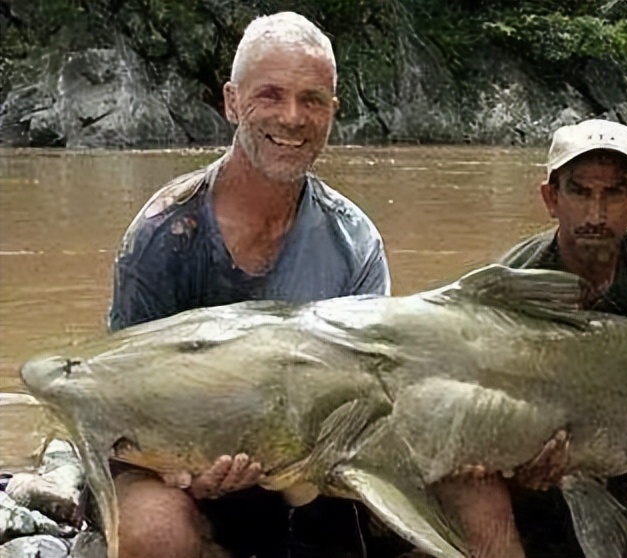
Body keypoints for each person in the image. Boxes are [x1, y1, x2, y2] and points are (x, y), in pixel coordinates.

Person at [106, 12, 391, 558]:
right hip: (181, 466)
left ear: (333, 111)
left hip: (311, 470)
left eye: (312, 100)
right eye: (271, 94)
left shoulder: (354, 242)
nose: (292, 117)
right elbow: (121, 406)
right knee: (153, 529)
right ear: (233, 102)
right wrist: (180, 468)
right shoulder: (163, 234)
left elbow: (367, 396)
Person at [497, 119, 627, 557]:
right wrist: (520, 474)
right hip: (542, 443)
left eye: (613, 193)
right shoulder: (513, 282)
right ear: (551, 198)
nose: (596, 215)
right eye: (580, 192)